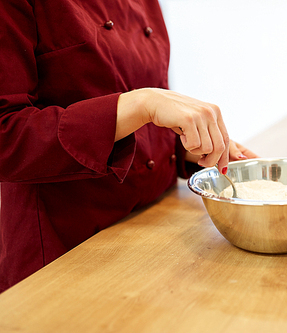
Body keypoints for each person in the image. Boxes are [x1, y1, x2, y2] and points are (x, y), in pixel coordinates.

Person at [0, 0, 257, 292]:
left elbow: (138, 106)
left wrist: (189, 142)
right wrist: (143, 104)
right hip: (65, 255)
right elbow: (6, 135)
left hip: (158, 233)